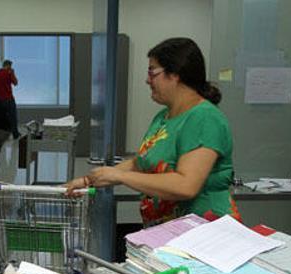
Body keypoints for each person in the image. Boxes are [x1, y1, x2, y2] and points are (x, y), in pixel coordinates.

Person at [65, 37, 238, 227]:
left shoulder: (205, 118)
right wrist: (89, 180)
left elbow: (186, 185)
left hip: (203, 233)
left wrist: (119, 177)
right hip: (168, 231)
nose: (147, 80)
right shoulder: (164, 116)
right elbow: (141, 163)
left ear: (175, 74)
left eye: (152, 71)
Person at [0, 60, 20, 139]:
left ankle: (2, 135)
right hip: (9, 99)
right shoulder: (9, 74)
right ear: (8, 66)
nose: (11, 68)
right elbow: (16, 83)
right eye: (10, 66)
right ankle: (15, 134)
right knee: (12, 118)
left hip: (0, 100)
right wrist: (13, 73)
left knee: (1, 118)